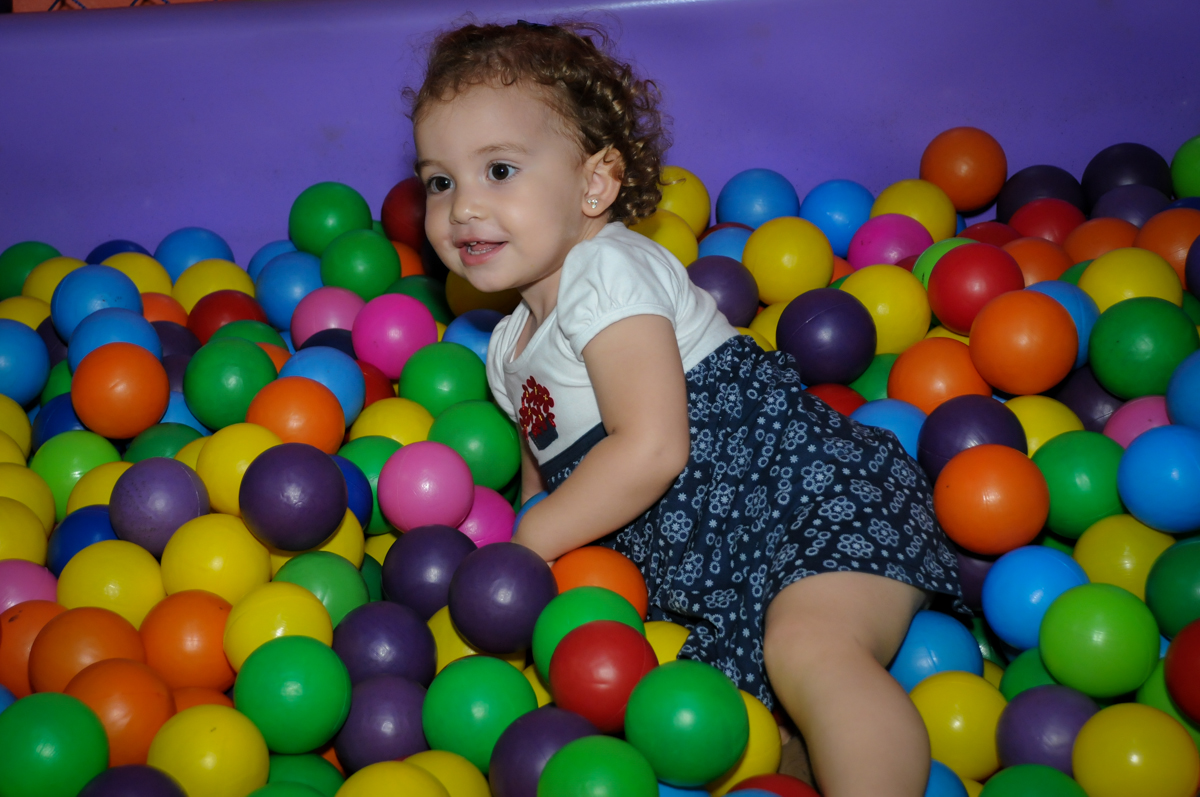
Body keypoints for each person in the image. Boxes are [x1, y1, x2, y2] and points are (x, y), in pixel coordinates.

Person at [409, 20, 963, 797]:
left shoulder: (608, 270)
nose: (463, 207)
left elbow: (654, 447)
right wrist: (537, 588)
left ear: (595, 185)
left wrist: (529, 540)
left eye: (498, 170)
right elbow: (551, 486)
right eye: (439, 181)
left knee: (810, 649)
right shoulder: (506, 351)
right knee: (727, 723)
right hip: (700, 569)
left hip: (795, 498)